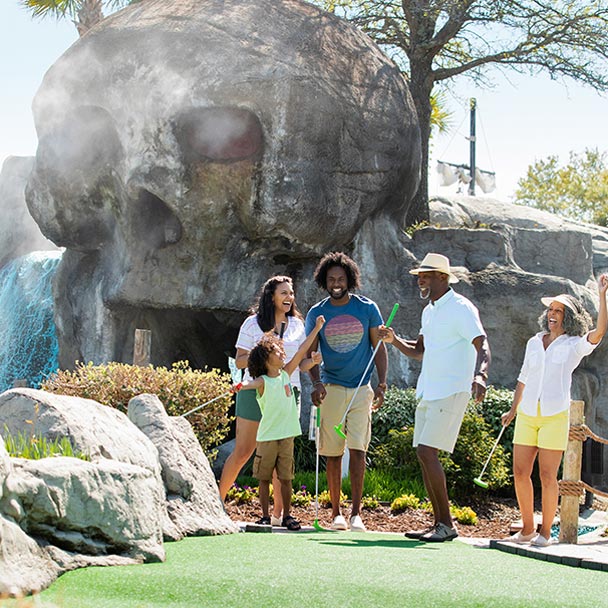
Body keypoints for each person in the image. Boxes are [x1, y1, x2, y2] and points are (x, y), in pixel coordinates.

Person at [378, 252, 490, 542]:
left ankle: (446, 524)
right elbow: (419, 350)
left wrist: (481, 376)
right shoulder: (428, 311)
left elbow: (483, 345)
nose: (420, 279)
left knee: (428, 452)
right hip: (429, 390)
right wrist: (393, 340)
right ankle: (440, 523)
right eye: (419, 276)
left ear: (443, 277)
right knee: (423, 453)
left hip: (452, 390)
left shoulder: (462, 307)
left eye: (425, 275)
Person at [501, 275, 608, 547]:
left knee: (548, 476)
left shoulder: (573, 345)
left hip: (554, 417)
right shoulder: (534, 342)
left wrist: (602, 294)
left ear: (568, 317)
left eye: (558, 311)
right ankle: (527, 528)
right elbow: (523, 377)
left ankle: (545, 533)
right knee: (520, 472)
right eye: (550, 310)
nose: (552, 314)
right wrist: (513, 410)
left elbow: (598, 334)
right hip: (527, 414)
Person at [305, 251, 388, 532]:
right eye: (331, 279)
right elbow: (311, 353)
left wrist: (381, 384)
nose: (336, 283)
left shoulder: (367, 309)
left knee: (358, 450)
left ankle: (356, 514)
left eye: (341, 278)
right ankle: (336, 514)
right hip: (330, 388)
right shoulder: (317, 312)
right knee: (332, 452)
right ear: (324, 281)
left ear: (349, 280)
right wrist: (316, 383)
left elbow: (379, 347)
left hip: (361, 389)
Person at [218, 275, 310, 525]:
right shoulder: (252, 324)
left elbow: (299, 363)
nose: (289, 297)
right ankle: (218, 503)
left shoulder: (297, 325)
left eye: (291, 293)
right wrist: (265, 356)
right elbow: (239, 360)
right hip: (255, 390)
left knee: (282, 456)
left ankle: (280, 514)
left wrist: (310, 363)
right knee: (244, 450)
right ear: (271, 297)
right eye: (284, 293)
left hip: (287, 394)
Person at [235, 315, 325, 530]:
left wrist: (317, 329)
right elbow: (247, 383)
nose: (283, 353)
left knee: (286, 478)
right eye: (277, 351)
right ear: (266, 358)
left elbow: (302, 349)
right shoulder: (262, 381)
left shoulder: (286, 374)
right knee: (264, 479)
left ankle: (287, 515)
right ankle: (265, 516)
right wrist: (238, 386)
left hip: (287, 436)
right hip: (267, 436)